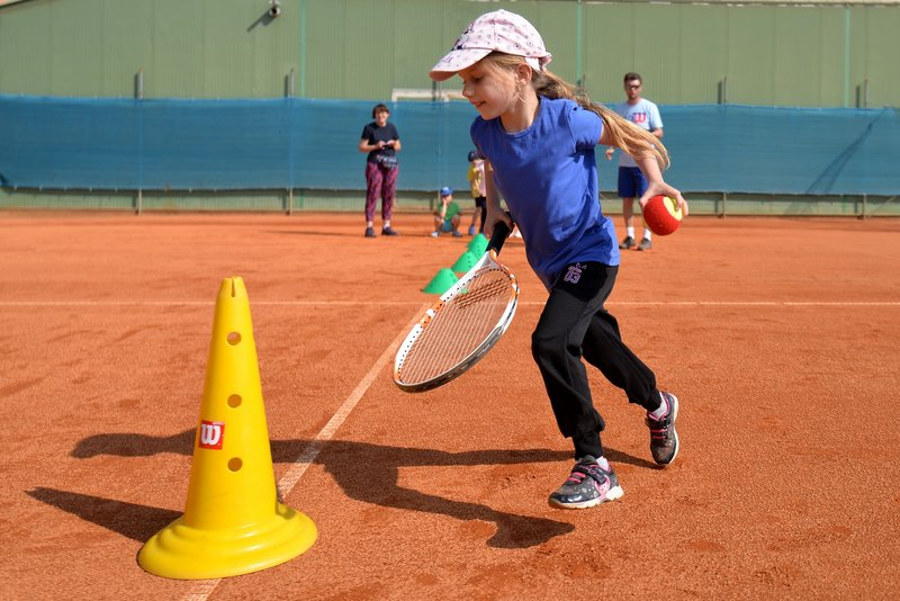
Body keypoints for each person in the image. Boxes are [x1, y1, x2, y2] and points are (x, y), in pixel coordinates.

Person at [429, 9, 689, 510]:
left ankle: (594, 463)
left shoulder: (565, 120)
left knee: (550, 342)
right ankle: (658, 405)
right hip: (549, 265)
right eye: (465, 80)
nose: (467, 90)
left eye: (478, 78)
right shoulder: (483, 132)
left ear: (521, 73)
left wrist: (654, 181)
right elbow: (497, 177)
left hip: (591, 255)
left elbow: (632, 137)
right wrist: (492, 223)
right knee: (601, 350)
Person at [605, 73, 664, 251]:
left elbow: (659, 131)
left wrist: (641, 137)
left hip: (644, 165)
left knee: (646, 202)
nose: (633, 89)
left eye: (636, 86)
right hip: (625, 164)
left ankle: (647, 237)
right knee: (627, 201)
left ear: (641, 87)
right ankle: (630, 235)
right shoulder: (620, 109)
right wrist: (611, 148)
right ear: (625, 87)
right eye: (630, 86)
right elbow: (617, 133)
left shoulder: (649, 107)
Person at [359, 103, 401, 238]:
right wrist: (376, 146)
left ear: (387, 115)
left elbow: (399, 145)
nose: (381, 115)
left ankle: (386, 225)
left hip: (391, 164)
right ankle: (369, 226)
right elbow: (362, 147)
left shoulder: (392, 128)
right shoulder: (369, 128)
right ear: (375, 115)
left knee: (389, 193)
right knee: (373, 192)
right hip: (375, 163)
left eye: (383, 113)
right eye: (378, 113)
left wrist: (393, 143)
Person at [467, 150, 487, 236]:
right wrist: (475, 189)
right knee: (480, 209)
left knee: (484, 209)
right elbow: (473, 179)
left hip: (486, 190)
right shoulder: (474, 167)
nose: (473, 162)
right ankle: (474, 226)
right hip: (478, 191)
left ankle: (482, 228)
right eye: (471, 161)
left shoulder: (485, 162)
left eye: (474, 160)